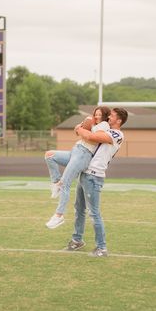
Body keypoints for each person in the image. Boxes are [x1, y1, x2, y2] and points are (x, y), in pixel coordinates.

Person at [65, 107, 128, 257]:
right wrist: (83, 127)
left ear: (119, 120)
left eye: (112, 116)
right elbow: (87, 133)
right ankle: (77, 240)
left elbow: (91, 137)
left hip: (94, 175)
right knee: (79, 209)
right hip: (86, 173)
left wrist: (79, 129)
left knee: (94, 213)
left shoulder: (117, 133)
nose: (108, 117)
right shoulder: (105, 128)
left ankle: (102, 248)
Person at [45, 106, 111, 229]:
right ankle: (55, 183)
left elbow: (89, 136)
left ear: (105, 116)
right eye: (95, 114)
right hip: (75, 150)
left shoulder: (104, 126)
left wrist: (83, 127)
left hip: (84, 154)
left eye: (99, 114)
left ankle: (59, 216)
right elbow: (77, 131)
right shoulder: (94, 122)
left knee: (66, 183)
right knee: (49, 155)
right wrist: (82, 127)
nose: (96, 116)